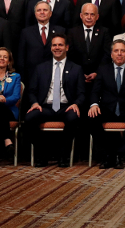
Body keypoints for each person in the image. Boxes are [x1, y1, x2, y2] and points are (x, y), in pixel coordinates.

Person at [23, 35, 84, 167]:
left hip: (66, 107)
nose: (57, 48)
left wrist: (76, 104)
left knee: (73, 118)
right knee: (29, 119)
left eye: (60, 45)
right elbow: (31, 90)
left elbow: (81, 93)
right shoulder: (40, 68)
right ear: (51, 48)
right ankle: (42, 154)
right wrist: (34, 103)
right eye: (54, 45)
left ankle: (64, 156)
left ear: (66, 48)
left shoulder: (76, 68)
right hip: (45, 107)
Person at [88, 39, 125, 169]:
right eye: (116, 51)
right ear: (111, 54)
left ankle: (119, 154)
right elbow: (95, 92)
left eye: (122, 51)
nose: (119, 54)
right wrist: (94, 104)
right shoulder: (103, 70)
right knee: (92, 117)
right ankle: (107, 155)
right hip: (107, 109)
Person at [66, 3, 112, 92]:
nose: (89, 17)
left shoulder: (104, 32)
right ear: (81, 15)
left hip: (99, 77)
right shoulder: (72, 32)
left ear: (97, 17)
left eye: (92, 14)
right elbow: (70, 54)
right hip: (77, 77)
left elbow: (107, 54)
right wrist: (80, 73)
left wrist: (96, 72)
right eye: (86, 14)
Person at [17, 1, 65, 78]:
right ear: (35, 14)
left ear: (50, 13)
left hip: (55, 75)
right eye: (39, 10)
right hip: (31, 76)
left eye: (45, 10)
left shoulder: (60, 31)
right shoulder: (26, 32)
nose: (42, 12)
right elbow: (21, 58)